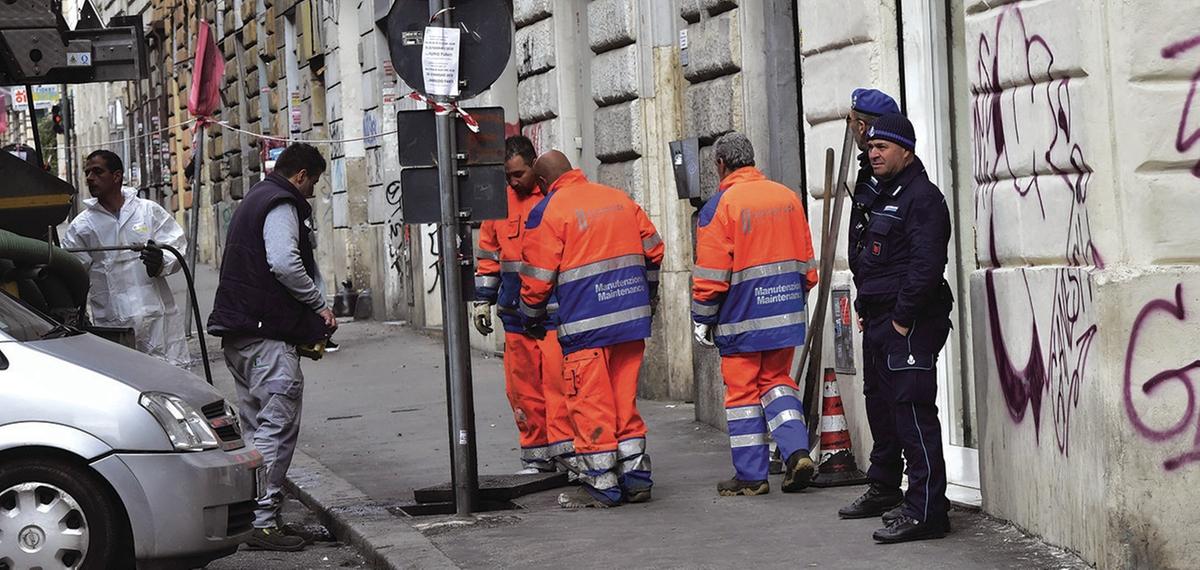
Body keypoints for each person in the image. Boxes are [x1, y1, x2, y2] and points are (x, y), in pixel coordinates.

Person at [207, 142, 337, 551]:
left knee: (255, 428)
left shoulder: (256, 198)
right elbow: (283, 262)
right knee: (275, 429)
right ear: (300, 175)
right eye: (313, 182)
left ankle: (257, 517)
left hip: (242, 333)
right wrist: (318, 305)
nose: (312, 191)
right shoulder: (282, 202)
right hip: (266, 337)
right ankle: (263, 522)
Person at [519, 150, 664, 508]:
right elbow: (654, 250)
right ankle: (636, 475)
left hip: (586, 327)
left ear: (542, 183)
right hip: (630, 321)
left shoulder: (548, 210)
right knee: (623, 400)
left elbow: (537, 277)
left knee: (591, 403)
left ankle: (603, 482)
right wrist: (647, 297)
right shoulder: (618, 199)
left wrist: (530, 316)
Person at [839, 113, 955, 543]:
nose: (874, 153)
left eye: (882, 147)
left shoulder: (921, 198)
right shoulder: (886, 193)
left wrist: (903, 318)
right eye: (870, 147)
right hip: (884, 318)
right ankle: (916, 501)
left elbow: (926, 266)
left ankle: (927, 512)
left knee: (913, 414)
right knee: (889, 410)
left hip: (910, 321)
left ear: (906, 150)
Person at [690, 132, 819, 497]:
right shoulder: (787, 198)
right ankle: (796, 452)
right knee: (778, 382)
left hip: (741, 321)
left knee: (743, 395)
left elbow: (712, 275)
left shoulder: (719, 206)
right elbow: (807, 267)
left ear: (721, 164)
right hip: (785, 316)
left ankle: (751, 476)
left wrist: (702, 317)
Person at [473, 136, 574, 473]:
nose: (513, 182)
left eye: (518, 174)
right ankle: (536, 454)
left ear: (534, 168)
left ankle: (567, 453)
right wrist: (483, 301)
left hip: (551, 312)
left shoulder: (552, 199)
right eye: (508, 176)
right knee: (522, 389)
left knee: (557, 386)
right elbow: (488, 254)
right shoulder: (498, 204)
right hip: (515, 313)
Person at [62, 149, 189, 365]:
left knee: (170, 379)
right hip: (114, 326)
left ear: (116, 176)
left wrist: (161, 261)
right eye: (87, 173)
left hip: (158, 319)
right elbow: (71, 273)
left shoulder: (147, 212)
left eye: (97, 172)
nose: (90, 178)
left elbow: (176, 245)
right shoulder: (82, 227)